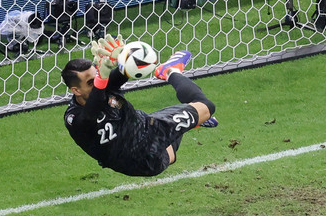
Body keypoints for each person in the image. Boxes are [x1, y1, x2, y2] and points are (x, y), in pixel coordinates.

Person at [61, 35, 217, 176]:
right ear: (76, 90)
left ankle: (196, 119)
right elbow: (90, 115)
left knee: (199, 113)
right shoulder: (74, 118)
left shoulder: (103, 85)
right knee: (205, 106)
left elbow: (125, 73)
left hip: (150, 126)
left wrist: (124, 57)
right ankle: (170, 71)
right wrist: (101, 78)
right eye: (91, 82)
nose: (97, 83)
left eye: (97, 77)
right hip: (141, 160)